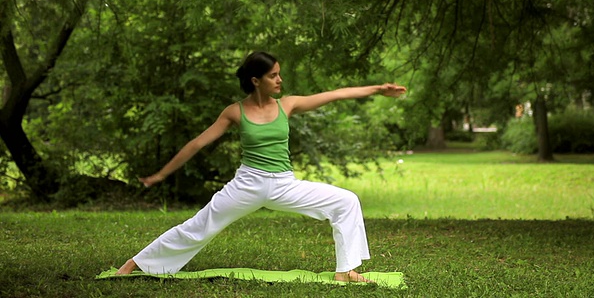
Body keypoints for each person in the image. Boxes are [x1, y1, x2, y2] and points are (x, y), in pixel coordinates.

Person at [116, 51, 407, 283]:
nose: (280, 80)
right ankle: (136, 262)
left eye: (279, 74)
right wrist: (161, 174)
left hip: (284, 184)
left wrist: (378, 89)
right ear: (256, 80)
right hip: (247, 184)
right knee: (199, 226)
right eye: (273, 75)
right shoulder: (235, 112)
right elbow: (197, 144)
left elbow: (335, 95)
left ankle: (346, 271)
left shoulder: (287, 105)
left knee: (346, 201)